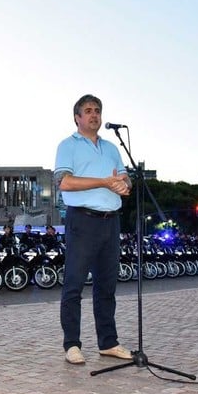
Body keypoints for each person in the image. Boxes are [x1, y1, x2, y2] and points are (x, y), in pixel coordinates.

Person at [55, 93, 132, 365]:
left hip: (111, 221)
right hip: (83, 221)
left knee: (106, 286)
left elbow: (123, 178)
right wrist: (104, 182)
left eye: (97, 110)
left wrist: (124, 185)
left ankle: (108, 342)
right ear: (77, 117)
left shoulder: (111, 147)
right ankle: (72, 344)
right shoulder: (68, 145)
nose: (94, 114)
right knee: (74, 284)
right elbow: (64, 182)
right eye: (88, 110)